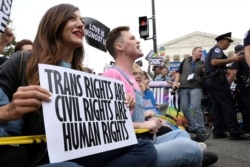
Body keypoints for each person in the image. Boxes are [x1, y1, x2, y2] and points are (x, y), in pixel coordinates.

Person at [0, 4, 157, 167]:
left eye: (82, 21)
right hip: (41, 155)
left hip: (84, 151)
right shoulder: (21, 61)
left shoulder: (87, 74)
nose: (81, 24)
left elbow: (97, 124)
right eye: (72, 18)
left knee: (145, 148)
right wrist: (8, 110)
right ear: (53, 23)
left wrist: (116, 105)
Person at [102, 25, 218, 167]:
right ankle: (191, 156)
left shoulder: (131, 77)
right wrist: (142, 124)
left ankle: (190, 157)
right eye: (132, 38)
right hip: (133, 147)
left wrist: (148, 116)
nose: (138, 41)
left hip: (146, 138)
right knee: (191, 149)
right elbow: (109, 125)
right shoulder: (111, 75)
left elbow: (129, 112)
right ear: (119, 46)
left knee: (183, 135)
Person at [204, 32, 250, 140]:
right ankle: (234, 132)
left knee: (216, 106)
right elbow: (214, 62)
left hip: (211, 80)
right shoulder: (217, 50)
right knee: (228, 104)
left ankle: (218, 131)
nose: (228, 45)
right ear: (223, 41)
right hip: (217, 80)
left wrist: (229, 62)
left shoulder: (213, 50)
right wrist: (232, 59)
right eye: (228, 43)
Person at [172, 47, 210, 142]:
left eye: (202, 51)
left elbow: (205, 76)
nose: (201, 53)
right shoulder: (185, 60)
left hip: (196, 87)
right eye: (200, 51)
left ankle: (201, 130)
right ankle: (194, 127)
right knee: (184, 108)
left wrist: (204, 71)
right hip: (183, 87)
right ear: (194, 52)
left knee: (196, 107)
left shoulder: (202, 63)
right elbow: (178, 72)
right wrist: (175, 82)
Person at [228, 44, 250, 133]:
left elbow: (233, 73)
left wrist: (228, 84)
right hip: (248, 84)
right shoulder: (248, 57)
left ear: (236, 51)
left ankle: (247, 128)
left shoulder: (237, 59)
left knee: (245, 108)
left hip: (242, 86)